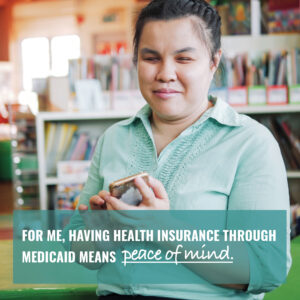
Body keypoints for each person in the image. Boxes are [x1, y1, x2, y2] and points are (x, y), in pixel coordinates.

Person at [65, 0, 291, 299]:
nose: (165, 73)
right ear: (135, 61)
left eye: (183, 59)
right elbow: (83, 255)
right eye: (151, 58)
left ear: (214, 62)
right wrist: (105, 232)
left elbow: (266, 268)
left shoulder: (251, 143)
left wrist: (164, 229)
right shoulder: (113, 138)